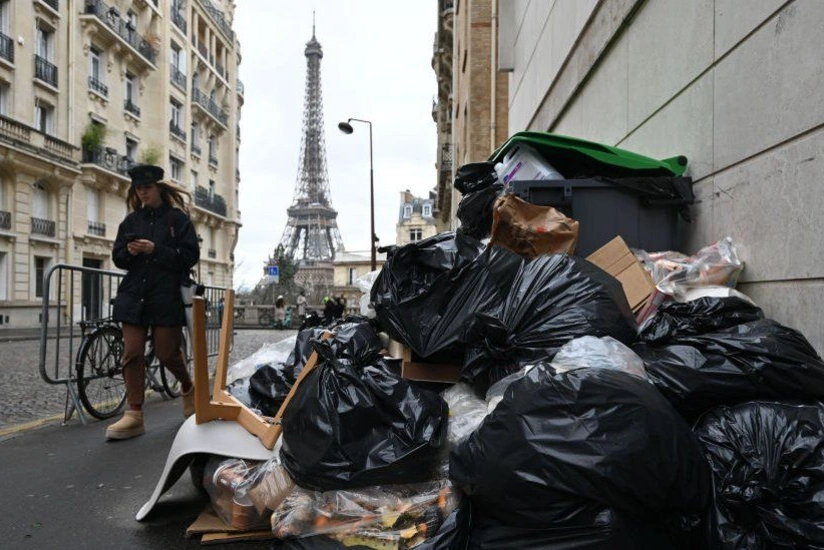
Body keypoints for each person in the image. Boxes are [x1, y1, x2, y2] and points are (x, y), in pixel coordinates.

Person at [106, 164, 200, 441]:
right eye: (138, 188)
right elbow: (118, 257)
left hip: (166, 295)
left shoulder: (177, 219)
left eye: (147, 187)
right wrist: (131, 251)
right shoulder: (130, 222)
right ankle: (134, 414)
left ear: (159, 187)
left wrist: (155, 250)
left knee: (167, 352)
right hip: (134, 295)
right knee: (132, 353)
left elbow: (189, 255)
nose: (143, 192)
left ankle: (187, 385)